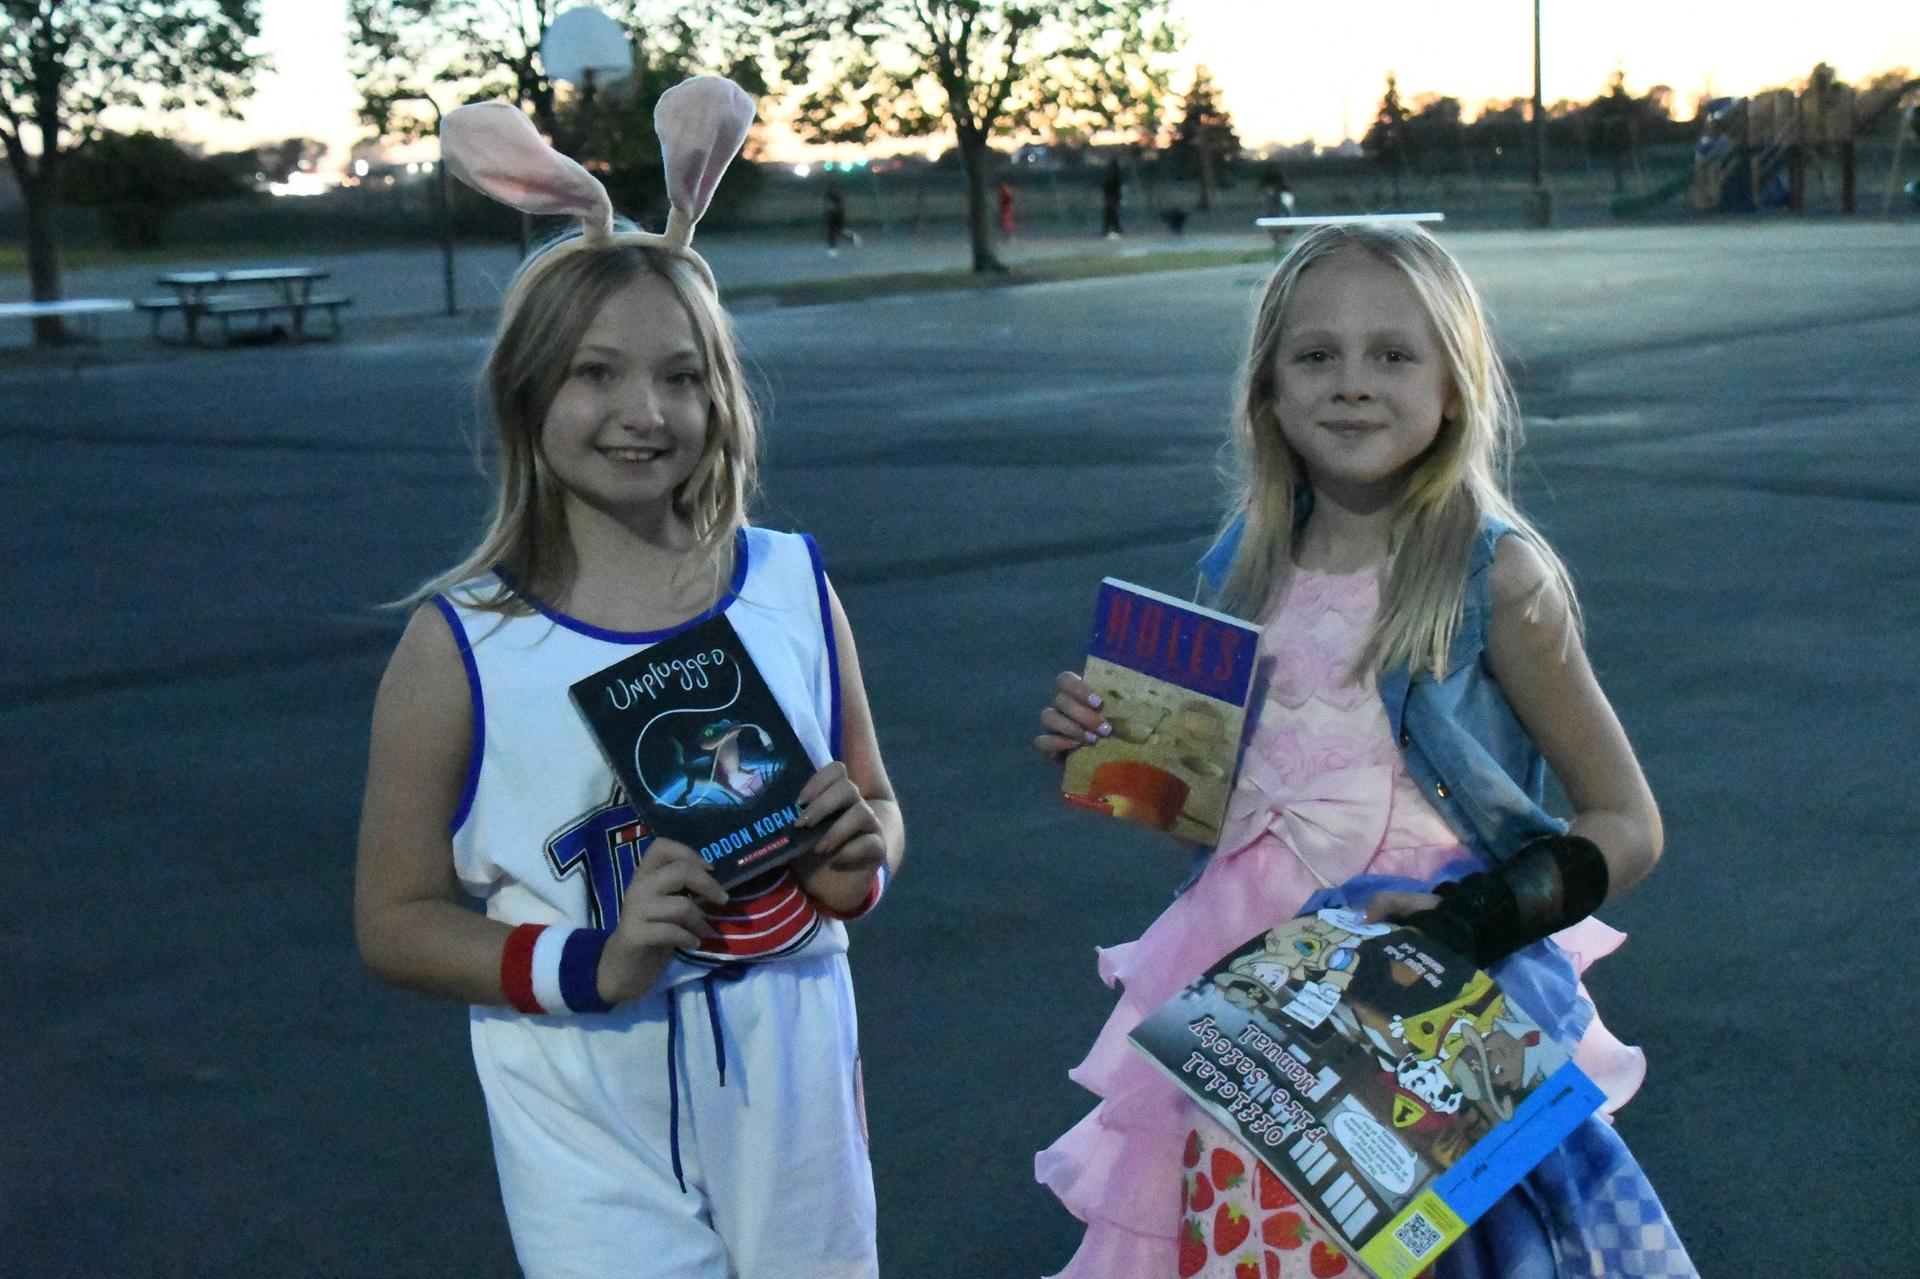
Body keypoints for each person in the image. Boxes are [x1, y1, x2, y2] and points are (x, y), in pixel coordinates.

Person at [1032, 222, 1696, 1278]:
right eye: (1316, 355)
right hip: (1245, 1002)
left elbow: (1629, 822)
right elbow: (1230, 820)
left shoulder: (1492, 581)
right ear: (1269, 391)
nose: (1351, 385)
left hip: (1421, 1010)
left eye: (1393, 354)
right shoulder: (1240, 568)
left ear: (1452, 386)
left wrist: (1474, 923)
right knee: (1244, 1248)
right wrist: (1118, 751)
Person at [354, 78, 903, 1279]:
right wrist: (583, 961)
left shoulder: (791, 584)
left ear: (723, 395)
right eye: (597, 374)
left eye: (683, 376)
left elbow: (875, 799)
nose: (644, 412)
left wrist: (860, 862)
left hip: (792, 1058)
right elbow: (392, 919)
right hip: (581, 1087)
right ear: (527, 391)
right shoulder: (461, 643)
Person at [1100, 159, 1125, 238]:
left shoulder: (1113, 175)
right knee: (1111, 213)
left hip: (1112, 197)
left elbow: (1113, 187)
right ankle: (1111, 229)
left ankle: (1112, 229)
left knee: (1111, 213)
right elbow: (1109, 187)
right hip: (1112, 197)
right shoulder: (1113, 175)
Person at [824, 183, 848, 255]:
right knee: (831, 233)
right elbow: (829, 208)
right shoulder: (830, 196)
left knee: (841, 231)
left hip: (837, 217)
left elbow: (838, 208)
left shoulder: (836, 198)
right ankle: (832, 248)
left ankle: (854, 238)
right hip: (832, 218)